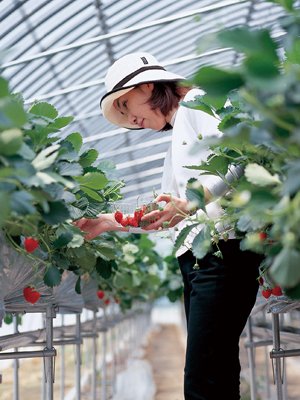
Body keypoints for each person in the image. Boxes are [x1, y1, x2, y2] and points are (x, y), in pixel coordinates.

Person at [75, 52, 263, 400]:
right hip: (199, 260)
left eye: (128, 105)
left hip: (223, 252)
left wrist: (193, 202)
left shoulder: (196, 102)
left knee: (203, 378)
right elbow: (162, 210)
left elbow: (241, 160)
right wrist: (106, 222)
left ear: (148, 85)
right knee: (216, 372)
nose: (131, 118)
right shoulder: (176, 140)